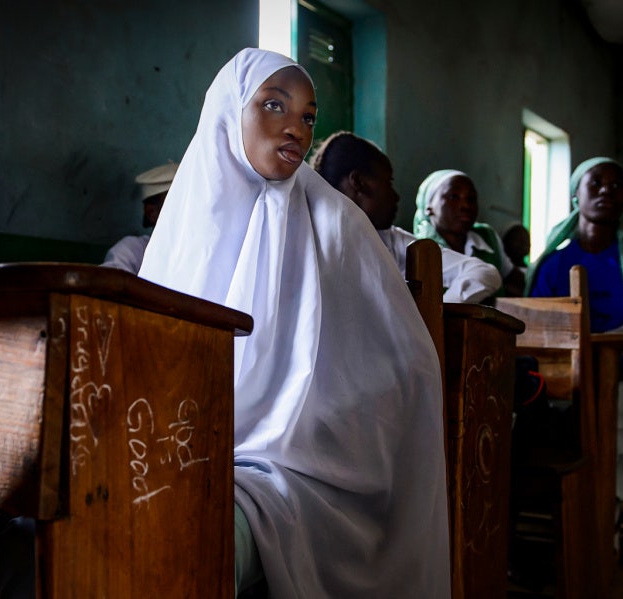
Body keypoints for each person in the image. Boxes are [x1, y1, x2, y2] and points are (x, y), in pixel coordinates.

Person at [138, 48, 451, 598]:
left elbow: (406, 365)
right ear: (229, 113)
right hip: (192, 438)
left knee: (183, 536)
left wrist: (297, 428)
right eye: (273, 105)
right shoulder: (186, 221)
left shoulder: (334, 221)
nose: (295, 127)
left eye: (307, 116)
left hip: (305, 458)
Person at [526, 157, 623, 505]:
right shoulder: (554, 266)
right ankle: (598, 517)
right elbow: (534, 335)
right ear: (575, 196)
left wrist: (620, 371)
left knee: (600, 416)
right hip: (565, 384)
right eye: (596, 184)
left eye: (616, 186)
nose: (606, 192)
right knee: (571, 420)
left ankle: (597, 517)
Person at [308, 130, 501, 303]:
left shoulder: (390, 240)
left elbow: (484, 273)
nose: (396, 195)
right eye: (388, 181)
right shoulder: (308, 242)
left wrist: (435, 319)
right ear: (359, 182)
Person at [413, 169, 525, 299]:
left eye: (471, 199)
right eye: (453, 197)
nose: (465, 205)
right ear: (429, 207)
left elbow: (515, 281)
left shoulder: (487, 237)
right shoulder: (420, 249)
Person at [100, 161, 176, 274]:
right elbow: (111, 283)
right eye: (178, 205)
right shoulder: (132, 250)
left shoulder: (201, 251)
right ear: (152, 213)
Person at [502, 222, 532, 296]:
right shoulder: (503, 271)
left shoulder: (532, 272)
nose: (524, 243)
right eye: (518, 239)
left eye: (526, 239)